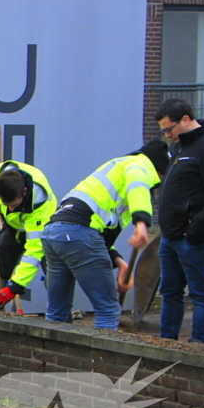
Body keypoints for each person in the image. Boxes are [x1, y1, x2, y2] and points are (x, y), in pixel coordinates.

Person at [42, 140, 169, 330]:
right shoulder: (140, 166)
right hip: (78, 234)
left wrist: (119, 262)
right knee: (108, 310)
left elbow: (98, 232)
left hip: (54, 233)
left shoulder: (117, 166)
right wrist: (141, 223)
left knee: (57, 312)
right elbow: (137, 185)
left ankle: (48, 357)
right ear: (158, 169)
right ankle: (101, 359)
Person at [155, 99, 204, 344]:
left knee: (200, 293)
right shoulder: (180, 147)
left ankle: (200, 346)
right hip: (171, 236)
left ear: (185, 120)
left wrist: (195, 229)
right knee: (170, 292)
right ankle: (166, 341)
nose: (167, 135)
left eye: (168, 129)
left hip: (194, 237)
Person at [0, 161, 57, 309]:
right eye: (5, 203)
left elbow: (34, 251)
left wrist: (15, 286)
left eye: (14, 205)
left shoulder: (41, 205)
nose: (10, 208)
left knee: (55, 282)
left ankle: (62, 324)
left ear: (24, 191)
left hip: (45, 231)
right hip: (13, 228)